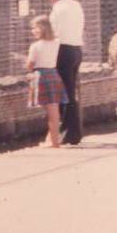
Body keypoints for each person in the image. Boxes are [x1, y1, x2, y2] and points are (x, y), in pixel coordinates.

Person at [46, 0, 85, 145]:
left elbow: (55, 33)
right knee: (70, 91)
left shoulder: (58, 8)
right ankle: (71, 132)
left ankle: (70, 133)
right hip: (76, 49)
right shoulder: (76, 5)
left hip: (63, 50)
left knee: (64, 93)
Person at [25, 14, 66, 148]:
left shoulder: (35, 46)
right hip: (53, 74)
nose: (33, 31)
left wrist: (26, 65)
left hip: (41, 76)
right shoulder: (56, 43)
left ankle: (54, 143)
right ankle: (53, 140)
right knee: (54, 112)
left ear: (43, 28)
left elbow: (30, 64)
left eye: (35, 28)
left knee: (50, 113)